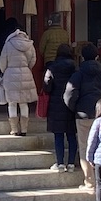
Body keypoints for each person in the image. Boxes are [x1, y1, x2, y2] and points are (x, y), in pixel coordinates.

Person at [64, 43, 101, 190]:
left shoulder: (78, 74)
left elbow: (70, 94)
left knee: (85, 147)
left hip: (83, 115)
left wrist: (75, 108)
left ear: (81, 57)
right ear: (97, 56)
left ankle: (90, 181)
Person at [0, 17, 38, 136]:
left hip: (10, 74)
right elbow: (33, 60)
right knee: (23, 102)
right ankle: (25, 129)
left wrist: (4, 71)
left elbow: (2, 62)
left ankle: (14, 129)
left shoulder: (8, 44)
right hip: (26, 73)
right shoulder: (29, 44)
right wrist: (27, 68)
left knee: (12, 102)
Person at [43, 43, 77, 171]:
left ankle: (60, 163)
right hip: (71, 104)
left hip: (56, 104)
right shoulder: (75, 67)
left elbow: (47, 86)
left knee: (58, 135)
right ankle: (72, 163)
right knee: (71, 135)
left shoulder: (52, 67)